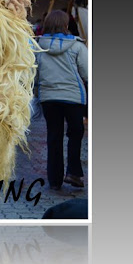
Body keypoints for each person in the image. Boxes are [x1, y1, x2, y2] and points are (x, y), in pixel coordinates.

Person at [35, 10, 88, 190]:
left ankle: (55, 179)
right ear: (66, 25)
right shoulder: (77, 46)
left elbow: (33, 73)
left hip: (49, 98)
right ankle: (73, 172)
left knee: (54, 136)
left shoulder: (38, 46)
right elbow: (87, 73)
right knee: (76, 133)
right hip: (73, 97)